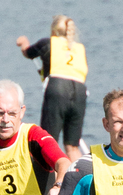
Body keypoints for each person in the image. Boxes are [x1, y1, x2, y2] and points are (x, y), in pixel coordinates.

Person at [16, 15, 88, 162]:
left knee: (47, 141)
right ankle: (83, 180)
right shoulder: (79, 49)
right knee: (72, 146)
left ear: (53, 30)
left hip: (58, 90)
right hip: (80, 92)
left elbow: (28, 53)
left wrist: (24, 43)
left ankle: (50, 181)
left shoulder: (47, 43)